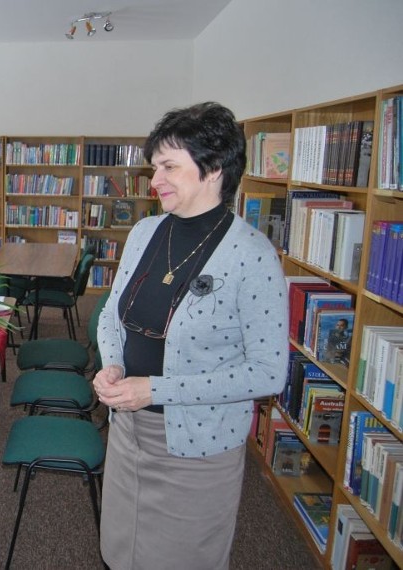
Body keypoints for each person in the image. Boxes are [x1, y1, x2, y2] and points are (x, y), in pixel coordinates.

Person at [93, 102, 288, 569]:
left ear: (213, 168)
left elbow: (267, 374)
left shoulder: (252, 255)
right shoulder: (144, 232)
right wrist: (113, 365)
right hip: (128, 432)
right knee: (120, 552)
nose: (154, 179)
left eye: (168, 166)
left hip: (198, 449)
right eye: (154, 166)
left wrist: (155, 389)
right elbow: (111, 316)